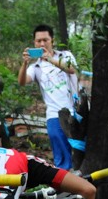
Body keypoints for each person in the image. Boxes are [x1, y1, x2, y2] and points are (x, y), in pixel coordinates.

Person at [17, 24, 80, 170]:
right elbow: (22, 82)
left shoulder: (66, 56)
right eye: (38, 41)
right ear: (34, 43)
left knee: (79, 150)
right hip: (53, 114)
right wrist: (24, 64)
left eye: (45, 40)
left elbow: (71, 69)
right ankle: (65, 184)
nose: (42, 44)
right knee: (61, 156)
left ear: (52, 40)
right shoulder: (35, 67)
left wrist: (50, 59)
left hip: (75, 111)